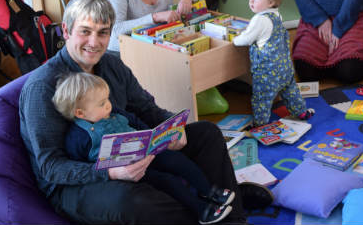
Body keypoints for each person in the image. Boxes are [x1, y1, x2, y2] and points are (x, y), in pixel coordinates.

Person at [19, 0, 273, 225]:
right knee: (133, 201)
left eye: (103, 32)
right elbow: (50, 167)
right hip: (77, 182)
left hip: (131, 151)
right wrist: (110, 173)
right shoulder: (42, 87)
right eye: (85, 31)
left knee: (206, 133)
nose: (94, 42)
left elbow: (147, 109)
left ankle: (231, 216)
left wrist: (173, 128)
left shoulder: (112, 65)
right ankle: (209, 207)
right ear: (66, 30)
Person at [53, 72, 236, 224]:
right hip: (130, 172)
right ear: (80, 113)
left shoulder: (114, 112)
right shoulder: (77, 138)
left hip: (146, 151)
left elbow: (136, 121)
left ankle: (210, 191)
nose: (108, 105)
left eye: (107, 99)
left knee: (177, 160)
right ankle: (202, 210)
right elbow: (80, 164)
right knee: (168, 181)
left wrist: (152, 136)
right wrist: (109, 173)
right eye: (101, 103)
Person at [232, 0, 314, 126]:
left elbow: (246, 39)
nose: (251, 1)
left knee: (261, 99)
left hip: (267, 73)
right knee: (290, 92)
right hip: (285, 68)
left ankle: (260, 123)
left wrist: (234, 39)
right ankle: (300, 111)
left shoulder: (259, 20)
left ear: (270, 2)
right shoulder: (277, 15)